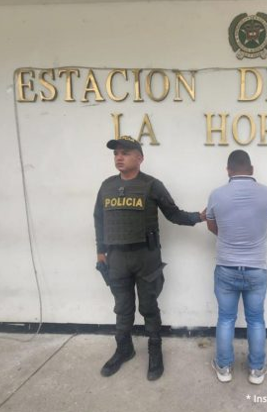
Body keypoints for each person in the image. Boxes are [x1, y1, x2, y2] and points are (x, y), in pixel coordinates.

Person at [93, 135, 205, 381]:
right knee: (122, 308)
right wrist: (100, 250)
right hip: (117, 258)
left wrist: (199, 216)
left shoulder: (152, 185)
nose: (119, 157)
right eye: (116, 153)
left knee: (148, 307)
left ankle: (155, 350)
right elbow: (99, 219)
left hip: (146, 257)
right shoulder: (107, 186)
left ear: (140, 158)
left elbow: (173, 214)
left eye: (125, 153)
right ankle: (124, 349)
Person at [206, 149, 267, 384]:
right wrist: (254, 238)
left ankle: (224, 368)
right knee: (256, 319)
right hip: (257, 267)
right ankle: (257, 370)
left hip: (226, 266)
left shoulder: (217, 195)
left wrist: (228, 237)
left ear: (228, 170)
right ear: (252, 169)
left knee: (226, 318)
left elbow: (211, 226)